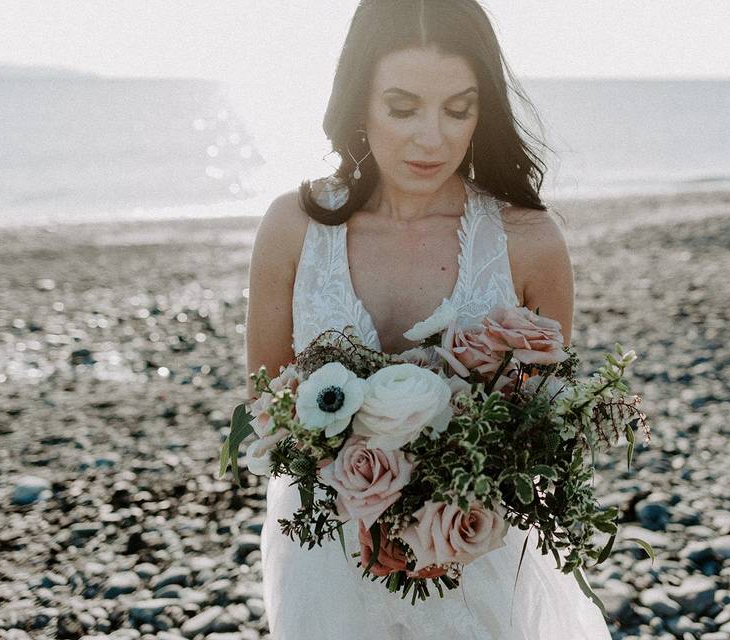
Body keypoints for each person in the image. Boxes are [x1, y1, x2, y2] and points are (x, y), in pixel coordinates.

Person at [244, 1, 613, 637]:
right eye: (404, 107)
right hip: (326, 558)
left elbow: (545, 427)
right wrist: (369, 501)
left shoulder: (528, 241)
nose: (433, 138)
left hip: (474, 564)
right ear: (359, 101)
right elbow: (266, 405)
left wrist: (441, 513)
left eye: (458, 108)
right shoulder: (293, 228)